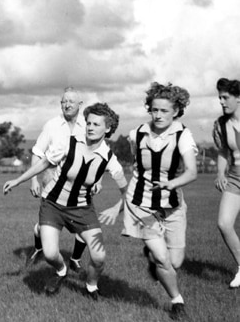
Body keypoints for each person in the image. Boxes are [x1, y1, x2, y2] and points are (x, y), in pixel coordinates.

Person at [4, 102, 128, 299]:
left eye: (96, 124)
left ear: (108, 128)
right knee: (51, 253)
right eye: (88, 123)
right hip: (52, 205)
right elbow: (44, 162)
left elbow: (127, 193)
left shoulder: (109, 158)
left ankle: (91, 286)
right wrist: (19, 180)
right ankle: (62, 271)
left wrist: (116, 209)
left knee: (99, 256)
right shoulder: (69, 143)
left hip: (82, 210)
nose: (90, 127)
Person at [99, 82, 197, 320]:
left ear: (176, 111)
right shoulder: (138, 134)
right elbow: (136, 170)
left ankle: (153, 257)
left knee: (175, 261)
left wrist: (171, 184)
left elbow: (192, 172)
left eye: (164, 111)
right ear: (149, 110)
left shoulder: (183, 135)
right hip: (141, 205)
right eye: (154, 110)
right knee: (163, 259)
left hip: (172, 205)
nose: (158, 115)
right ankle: (177, 301)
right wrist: (120, 204)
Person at [26, 87, 89, 271]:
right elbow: (37, 153)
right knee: (46, 226)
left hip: (80, 183)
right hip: (51, 181)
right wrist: (34, 180)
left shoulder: (88, 126)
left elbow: (98, 155)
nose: (67, 104)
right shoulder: (52, 125)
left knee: (85, 227)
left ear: (80, 104)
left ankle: (75, 259)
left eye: (71, 101)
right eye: (63, 101)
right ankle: (39, 246)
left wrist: (98, 181)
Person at [212, 77, 240, 289]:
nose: (221, 101)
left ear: (238, 98)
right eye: (220, 97)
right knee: (224, 223)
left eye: (226, 97)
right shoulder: (221, 124)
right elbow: (223, 151)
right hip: (235, 178)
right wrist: (221, 173)